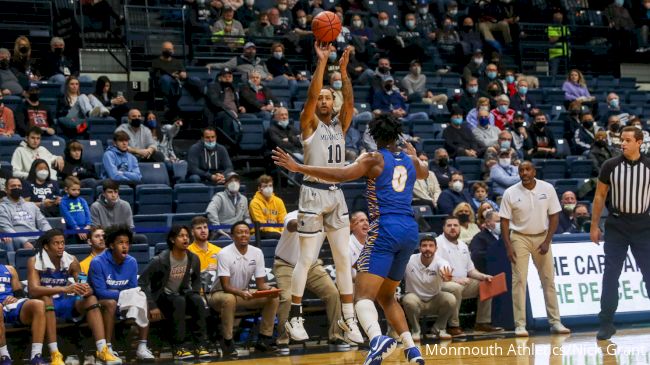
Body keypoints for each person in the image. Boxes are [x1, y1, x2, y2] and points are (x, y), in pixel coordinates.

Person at [273, 113, 430, 364]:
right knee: (387, 296)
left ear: (374, 136)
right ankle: (413, 351)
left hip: (386, 229)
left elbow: (340, 175)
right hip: (410, 231)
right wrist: (417, 154)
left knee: (362, 296)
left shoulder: (373, 159)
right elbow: (424, 171)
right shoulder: (412, 160)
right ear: (397, 135)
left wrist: (299, 167)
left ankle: (377, 340)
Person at [282, 43, 362, 345]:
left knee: (343, 259)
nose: (325, 100)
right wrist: (322, 62)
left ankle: (348, 317)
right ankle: (295, 316)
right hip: (312, 195)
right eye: (323, 98)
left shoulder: (340, 124)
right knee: (307, 258)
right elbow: (311, 95)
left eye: (330, 97)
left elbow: (351, 104)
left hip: (336, 195)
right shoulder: (309, 123)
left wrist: (343, 73)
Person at [27, 229, 121, 365]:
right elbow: (33, 290)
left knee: (92, 299)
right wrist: (65, 288)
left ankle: (102, 349)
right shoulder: (35, 261)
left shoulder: (71, 260)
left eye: (62, 243)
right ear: (46, 246)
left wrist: (85, 289)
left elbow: (82, 282)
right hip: (44, 305)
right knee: (46, 299)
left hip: (64, 302)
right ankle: (55, 354)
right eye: (56, 243)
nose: (60, 246)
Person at [590, 126, 650, 340]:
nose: (622, 143)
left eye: (627, 140)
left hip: (644, 225)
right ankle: (606, 323)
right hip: (617, 224)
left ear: (639, 142)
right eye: (620, 139)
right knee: (611, 275)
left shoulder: (649, 165)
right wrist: (594, 225)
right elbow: (599, 197)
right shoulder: (610, 165)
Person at [499, 161, 571, 337]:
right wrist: (508, 246)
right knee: (519, 281)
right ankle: (520, 325)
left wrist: (547, 241)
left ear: (534, 171)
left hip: (542, 236)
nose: (524, 173)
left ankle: (555, 322)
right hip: (519, 237)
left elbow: (554, 216)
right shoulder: (510, 192)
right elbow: (504, 221)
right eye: (521, 170)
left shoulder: (547, 189)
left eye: (527, 169)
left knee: (548, 280)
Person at [274, 210, 349, 353]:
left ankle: (336, 335)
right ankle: (283, 340)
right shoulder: (294, 215)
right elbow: (291, 225)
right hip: (286, 264)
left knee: (333, 293)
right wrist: (309, 223)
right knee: (287, 298)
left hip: (311, 265)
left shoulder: (327, 219)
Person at [138, 226, 210, 359]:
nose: (185, 238)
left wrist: (194, 292)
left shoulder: (193, 258)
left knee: (197, 300)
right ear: (172, 239)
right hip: (162, 298)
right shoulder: (159, 260)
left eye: (187, 236)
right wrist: (152, 305)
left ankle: (200, 345)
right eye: (181, 236)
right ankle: (178, 347)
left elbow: (196, 280)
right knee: (179, 301)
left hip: (180, 294)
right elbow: (142, 282)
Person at [208, 222, 279, 357]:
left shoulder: (257, 252)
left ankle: (264, 340)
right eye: (240, 232)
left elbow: (261, 284)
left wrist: (270, 289)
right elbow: (225, 286)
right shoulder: (224, 254)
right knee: (229, 299)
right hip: (219, 294)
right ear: (232, 236)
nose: (243, 235)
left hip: (242, 293)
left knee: (273, 297)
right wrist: (241, 293)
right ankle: (227, 341)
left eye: (246, 232)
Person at [88, 225, 155, 361]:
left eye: (127, 243)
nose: (125, 246)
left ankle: (142, 346)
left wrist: (123, 294)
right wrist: (123, 294)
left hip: (122, 300)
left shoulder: (132, 262)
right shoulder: (97, 262)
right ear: (112, 245)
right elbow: (100, 292)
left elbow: (133, 289)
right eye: (120, 243)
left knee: (142, 297)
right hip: (100, 304)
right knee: (111, 303)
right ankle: (107, 347)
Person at [437, 216, 502, 336]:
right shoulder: (437, 243)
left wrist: (483, 276)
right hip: (442, 283)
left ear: (459, 228)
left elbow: (471, 270)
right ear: (443, 228)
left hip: (464, 282)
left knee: (488, 283)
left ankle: (482, 323)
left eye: (455, 225)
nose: (453, 228)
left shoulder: (463, 245)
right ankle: (453, 325)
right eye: (449, 225)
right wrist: (456, 279)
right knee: (455, 288)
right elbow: (438, 271)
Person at [402, 236, 455, 341]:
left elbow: (444, 269)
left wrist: (445, 276)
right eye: (424, 245)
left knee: (450, 299)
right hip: (415, 298)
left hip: (435, 298)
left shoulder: (442, 262)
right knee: (408, 300)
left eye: (431, 246)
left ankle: (439, 328)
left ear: (436, 248)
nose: (427, 248)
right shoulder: (409, 260)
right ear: (419, 248)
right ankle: (416, 330)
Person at [0, 262, 47, 365]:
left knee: (38, 304)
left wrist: (15, 298)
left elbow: (19, 294)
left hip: (10, 305)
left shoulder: (9, 269)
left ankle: (36, 356)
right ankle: (4, 357)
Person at [0, 178, 51, 251]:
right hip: (18, 242)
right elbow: (7, 229)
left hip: (38, 239)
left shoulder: (31, 205)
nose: (17, 188)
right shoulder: (2, 208)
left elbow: (43, 223)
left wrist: (51, 235)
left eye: (19, 186)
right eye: (13, 186)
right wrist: (24, 242)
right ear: (6, 190)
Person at [203, 68, 245, 144]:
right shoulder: (213, 86)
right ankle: (228, 142)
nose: (227, 78)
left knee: (252, 118)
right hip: (219, 114)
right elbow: (215, 102)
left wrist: (240, 107)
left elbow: (236, 102)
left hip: (235, 114)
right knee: (228, 115)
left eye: (229, 76)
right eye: (225, 76)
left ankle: (245, 142)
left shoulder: (233, 88)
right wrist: (229, 110)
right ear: (219, 78)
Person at [205, 171, 251, 238]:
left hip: (239, 233)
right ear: (226, 184)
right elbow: (210, 211)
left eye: (236, 180)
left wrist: (247, 225)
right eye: (231, 181)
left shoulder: (244, 199)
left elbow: (246, 217)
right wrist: (217, 228)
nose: (234, 183)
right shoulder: (219, 197)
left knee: (254, 239)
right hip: (224, 233)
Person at [249, 174, 287, 239]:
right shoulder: (254, 203)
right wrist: (279, 233)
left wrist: (283, 231)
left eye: (270, 185)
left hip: (278, 232)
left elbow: (283, 220)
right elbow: (262, 225)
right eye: (265, 186)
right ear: (259, 189)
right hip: (261, 232)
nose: (268, 188)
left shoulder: (278, 201)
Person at [59, 177, 91, 242]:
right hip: (72, 231)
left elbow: (88, 214)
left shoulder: (82, 200)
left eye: (78, 190)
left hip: (85, 229)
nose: (77, 192)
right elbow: (68, 217)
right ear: (66, 190)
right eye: (73, 190)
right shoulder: (63, 202)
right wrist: (77, 228)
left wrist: (88, 225)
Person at [349, 211, 369, 279]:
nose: (366, 223)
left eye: (367, 220)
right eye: (361, 220)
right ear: (352, 226)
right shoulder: (347, 245)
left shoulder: (373, 243)